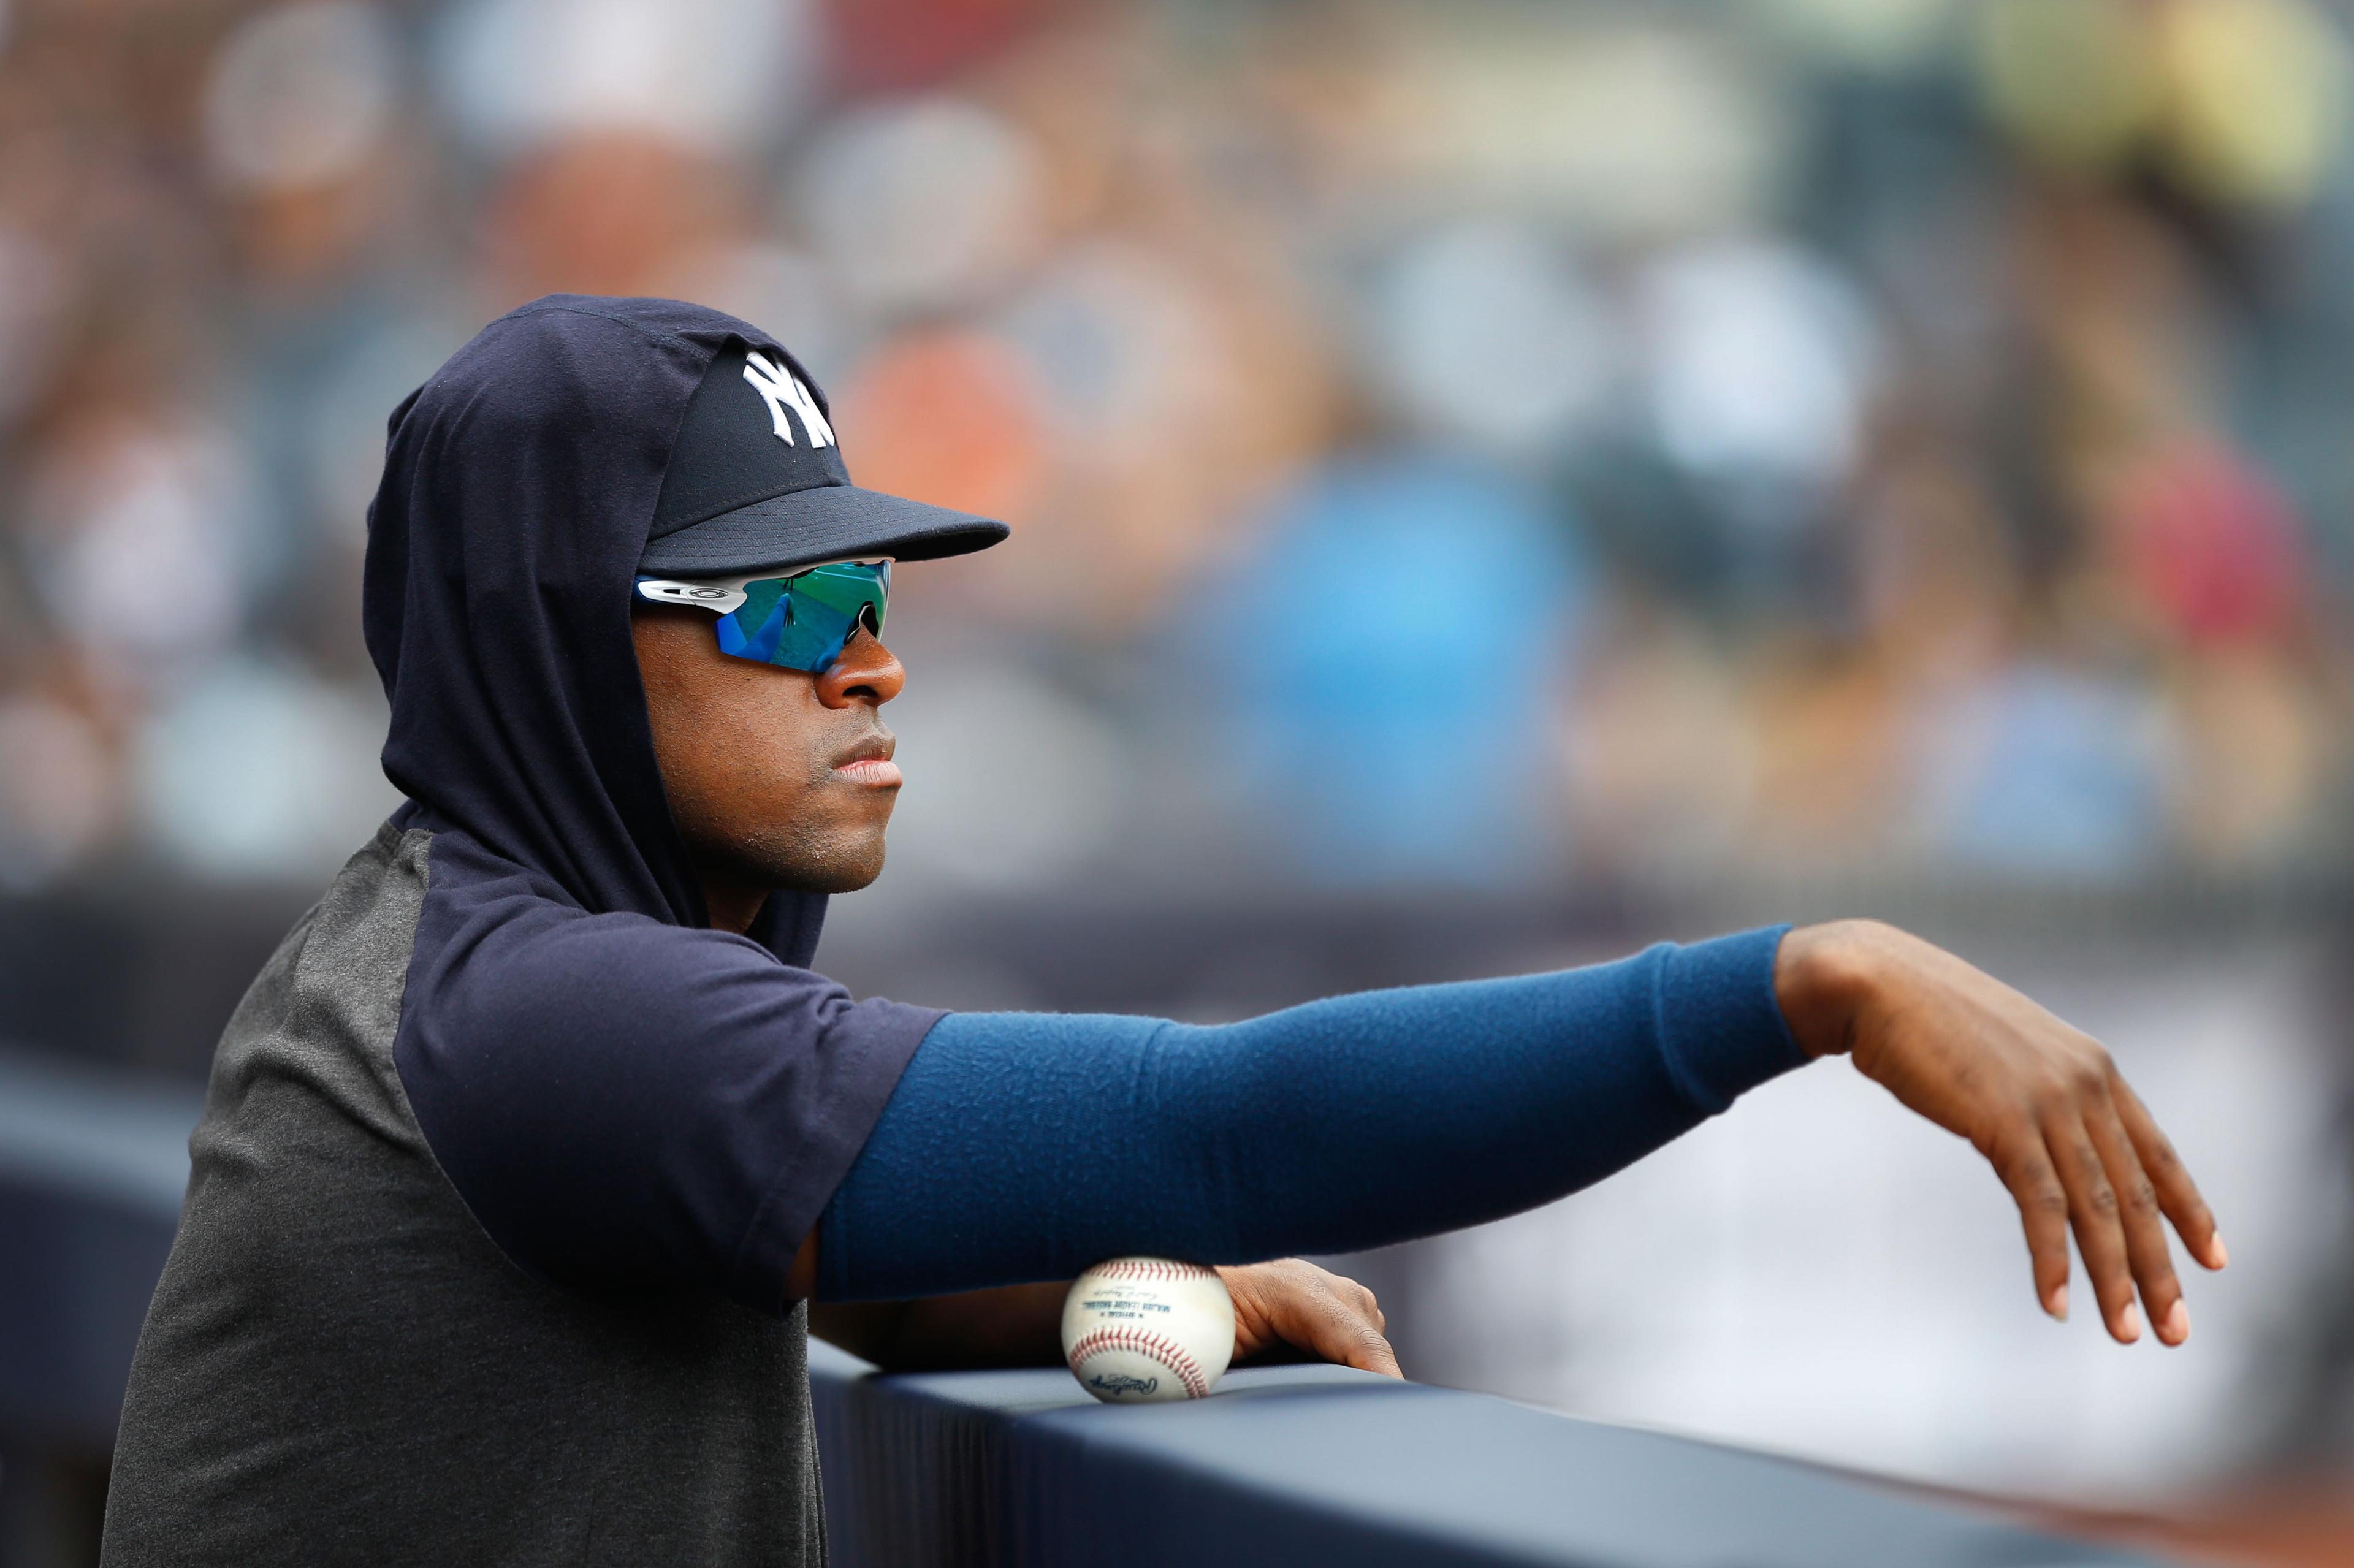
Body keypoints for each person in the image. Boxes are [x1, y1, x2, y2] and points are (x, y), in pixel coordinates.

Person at [99, 297, 2225, 1567]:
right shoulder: (531, 1010)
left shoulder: (484, 963)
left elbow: (814, 1278)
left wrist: (1068, 1294)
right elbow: (1226, 1121)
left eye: (876, 599)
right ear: (556, 648)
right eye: (788, 608)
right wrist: (1804, 985)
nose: (872, 667)